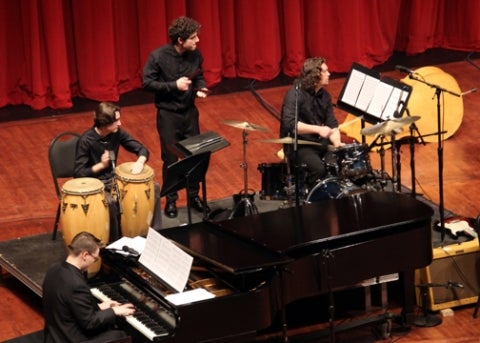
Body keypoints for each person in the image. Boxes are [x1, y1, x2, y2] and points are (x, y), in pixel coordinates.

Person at [143, 16, 210, 219]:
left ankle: (193, 196)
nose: (197, 40)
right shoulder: (157, 57)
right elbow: (147, 82)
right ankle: (171, 200)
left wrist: (201, 87)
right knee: (170, 158)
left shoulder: (196, 55)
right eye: (193, 37)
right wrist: (173, 85)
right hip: (168, 115)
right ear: (180, 40)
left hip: (189, 113)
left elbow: (198, 74)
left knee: (194, 156)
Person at [74, 102, 162, 241]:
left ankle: (155, 233)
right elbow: (78, 173)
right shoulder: (86, 140)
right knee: (110, 202)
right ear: (104, 123)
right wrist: (101, 165)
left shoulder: (116, 133)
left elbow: (141, 149)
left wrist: (140, 162)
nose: (120, 123)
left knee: (153, 187)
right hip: (95, 184)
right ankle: (116, 243)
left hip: (114, 179)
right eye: (116, 121)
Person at [42, 231, 135, 343]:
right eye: (95, 259)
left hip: (54, 334)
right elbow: (89, 323)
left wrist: (99, 307)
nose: (94, 262)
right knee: (121, 335)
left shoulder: (54, 269)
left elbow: (70, 306)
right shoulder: (76, 284)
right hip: (70, 338)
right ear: (85, 255)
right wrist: (114, 311)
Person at [280, 57, 344, 190]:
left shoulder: (324, 95)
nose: (329, 74)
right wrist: (318, 130)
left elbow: (332, 123)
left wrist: (337, 143)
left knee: (342, 163)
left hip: (318, 143)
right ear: (315, 76)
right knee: (318, 169)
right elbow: (290, 124)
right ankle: (308, 195)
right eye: (325, 71)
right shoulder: (295, 94)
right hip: (298, 145)